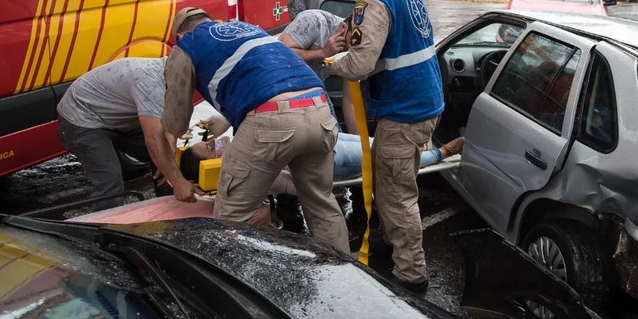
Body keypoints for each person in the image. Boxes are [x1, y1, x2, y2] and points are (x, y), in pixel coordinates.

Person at [161, 7, 349, 253]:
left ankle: (235, 286)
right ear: (210, 20)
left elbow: (176, 123)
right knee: (322, 205)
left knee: (231, 217)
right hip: (319, 109)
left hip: (272, 123)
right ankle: (341, 276)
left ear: (179, 35)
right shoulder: (246, 28)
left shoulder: (187, 45)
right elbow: (265, 79)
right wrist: (227, 117)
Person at [326, 0, 445, 292]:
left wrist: (334, 62)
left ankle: (411, 276)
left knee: (397, 195)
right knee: (386, 175)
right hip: (423, 100)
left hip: (405, 109)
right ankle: (392, 241)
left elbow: (360, 64)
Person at [56, 57, 195, 211]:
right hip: (81, 117)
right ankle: (103, 230)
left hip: (113, 117)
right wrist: (178, 182)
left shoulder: (176, 75)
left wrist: (169, 162)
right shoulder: (151, 82)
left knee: (165, 159)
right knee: (110, 181)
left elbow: (168, 125)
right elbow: (154, 140)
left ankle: (171, 213)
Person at [179, 132, 465, 185]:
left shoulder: (238, 141)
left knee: (382, 145)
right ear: (210, 163)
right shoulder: (241, 163)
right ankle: (441, 153)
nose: (212, 143)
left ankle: (421, 148)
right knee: (391, 159)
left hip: (325, 141)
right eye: (207, 147)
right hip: (329, 161)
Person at [279, 9, 359, 134]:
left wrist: (360, 145)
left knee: (336, 137)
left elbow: (350, 102)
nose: (355, 47)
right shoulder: (314, 21)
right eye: (353, 41)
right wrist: (323, 53)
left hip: (314, 91)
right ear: (344, 27)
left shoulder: (356, 52)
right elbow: (281, 54)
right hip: (283, 90)